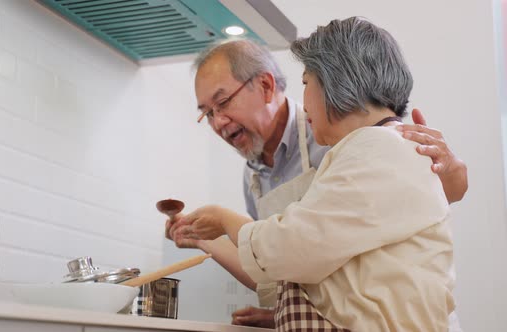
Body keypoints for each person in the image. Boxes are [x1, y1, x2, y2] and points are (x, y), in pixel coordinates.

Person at [166, 31, 467, 329]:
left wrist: (224, 219)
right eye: (207, 113)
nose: (217, 122)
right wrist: (203, 236)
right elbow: (275, 268)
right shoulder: (254, 175)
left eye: (223, 103)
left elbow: (288, 245)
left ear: (266, 85)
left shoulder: (361, 143)